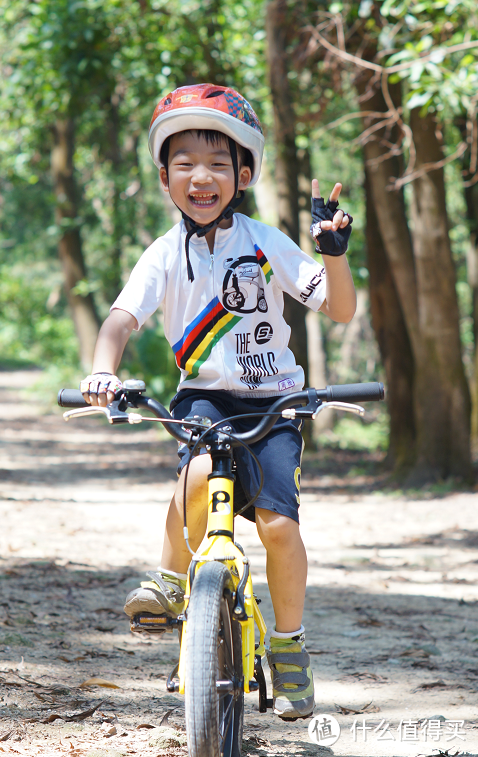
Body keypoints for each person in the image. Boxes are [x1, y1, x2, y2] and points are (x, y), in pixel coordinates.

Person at [80, 84, 356, 721]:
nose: (200, 177)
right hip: (203, 397)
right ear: (164, 177)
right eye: (183, 165)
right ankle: (174, 583)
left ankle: (288, 647)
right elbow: (120, 322)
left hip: (275, 404)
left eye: (216, 164)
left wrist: (333, 256)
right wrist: (102, 371)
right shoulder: (163, 254)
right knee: (196, 477)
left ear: (244, 173)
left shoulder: (267, 242)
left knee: (280, 529)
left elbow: (338, 309)